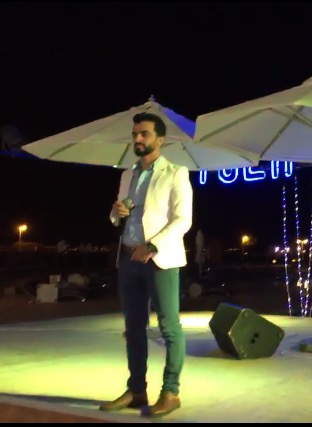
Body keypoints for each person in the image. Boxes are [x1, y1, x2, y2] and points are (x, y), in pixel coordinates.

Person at [99, 112, 193, 418]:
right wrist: (116, 212)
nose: (137, 139)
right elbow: (118, 216)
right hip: (128, 258)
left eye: (144, 134)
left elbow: (183, 220)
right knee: (133, 327)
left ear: (160, 139)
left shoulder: (176, 173)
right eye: (135, 134)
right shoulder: (128, 175)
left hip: (160, 259)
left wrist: (151, 246)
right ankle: (136, 390)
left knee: (169, 327)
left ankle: (171, 392)